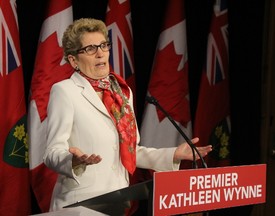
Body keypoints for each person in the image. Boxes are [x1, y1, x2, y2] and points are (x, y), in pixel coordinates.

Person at [43, 18, 212, 212]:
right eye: (90, 49)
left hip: (117, 199)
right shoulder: (65, 91)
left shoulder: (122, 92)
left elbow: (131, 151)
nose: (100, 53)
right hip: (79, 204)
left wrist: (172, 154)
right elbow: (51, 152)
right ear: (73, 60)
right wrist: (73, 161)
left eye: (103, 45)